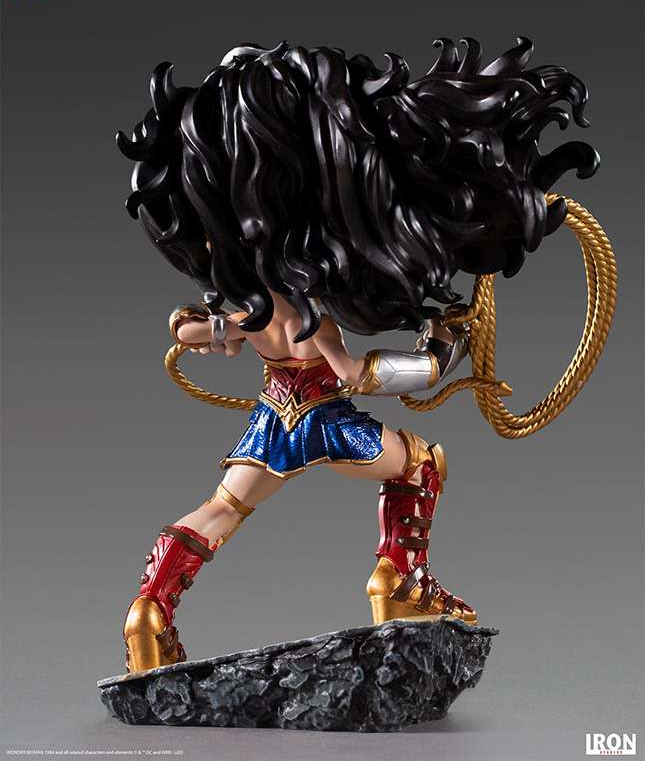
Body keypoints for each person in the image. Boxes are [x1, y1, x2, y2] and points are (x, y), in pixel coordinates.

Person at [117, 38, 598, 672]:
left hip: (270, 422)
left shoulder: (248, 300)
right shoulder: (307, 303)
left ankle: (150, 610)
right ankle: (399, 584)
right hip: (325, 420)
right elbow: (351, 373)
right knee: (420, 465)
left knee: (223, 508)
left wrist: (195, 328)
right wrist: (439, 358)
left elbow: (204, 336)